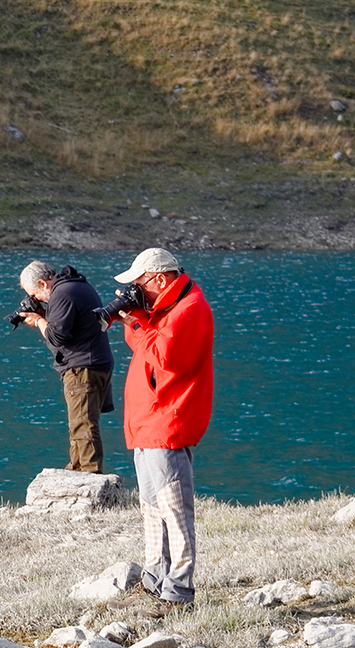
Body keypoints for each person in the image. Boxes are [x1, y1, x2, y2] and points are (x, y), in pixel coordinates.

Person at [105, 247, 214, 610]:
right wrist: (134, 318)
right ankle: (155, 581)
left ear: (160, 279)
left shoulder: (190, 309)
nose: (136, 290)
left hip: (168, 422)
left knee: (174, 510)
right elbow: (145, 349)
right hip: (149, 422)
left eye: (140, 283)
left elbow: (167, 358)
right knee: (152, 507)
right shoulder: (166, 308)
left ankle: (179, 592)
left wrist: (138, 319)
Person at [16, 260, 114, 474]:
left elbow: (57, 337)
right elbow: (69, 325)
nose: (35, 299)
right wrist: (44, 314)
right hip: (95, 362)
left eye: (34, 294)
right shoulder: (76, 285)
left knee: (83, 423)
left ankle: (89, 473)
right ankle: (76, 468)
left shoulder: (62, 293)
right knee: (79, 422)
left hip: (82, 367)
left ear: (42, 284)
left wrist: (39, 320)